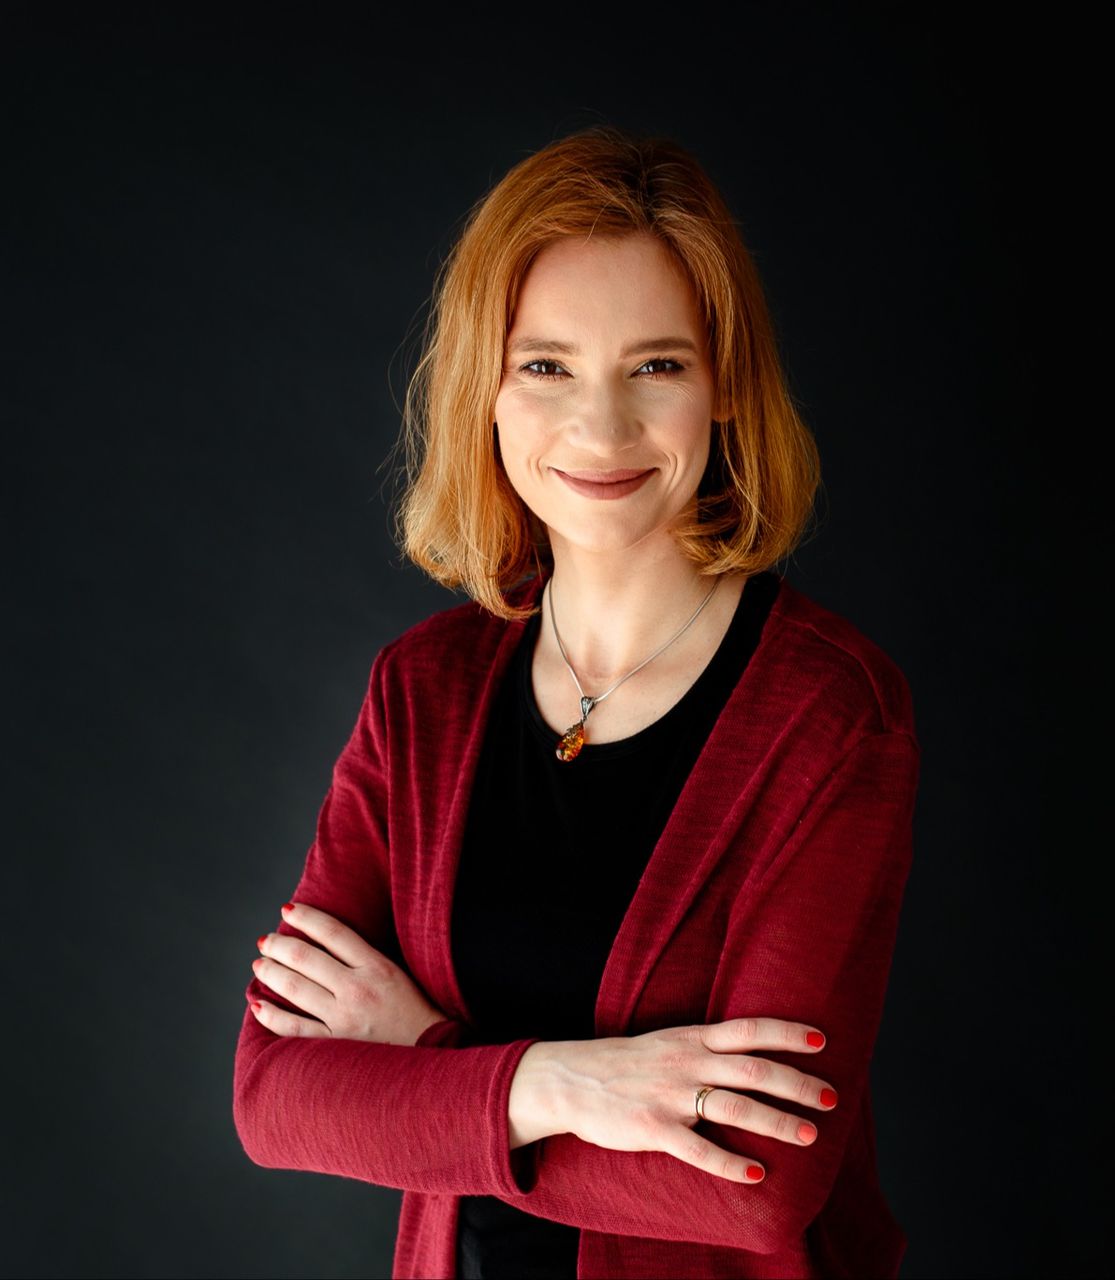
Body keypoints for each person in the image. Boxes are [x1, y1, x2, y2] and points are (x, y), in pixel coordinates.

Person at [233, 124, 921, 1280]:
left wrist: (430, 1056)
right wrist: (557, 1081)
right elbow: (273, 1097)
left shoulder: (830, 715)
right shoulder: (422, 690)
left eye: (656, 365)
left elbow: (754, 1182)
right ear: (486, 391)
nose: (600, 429)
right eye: (546, 366)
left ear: (724, 389)